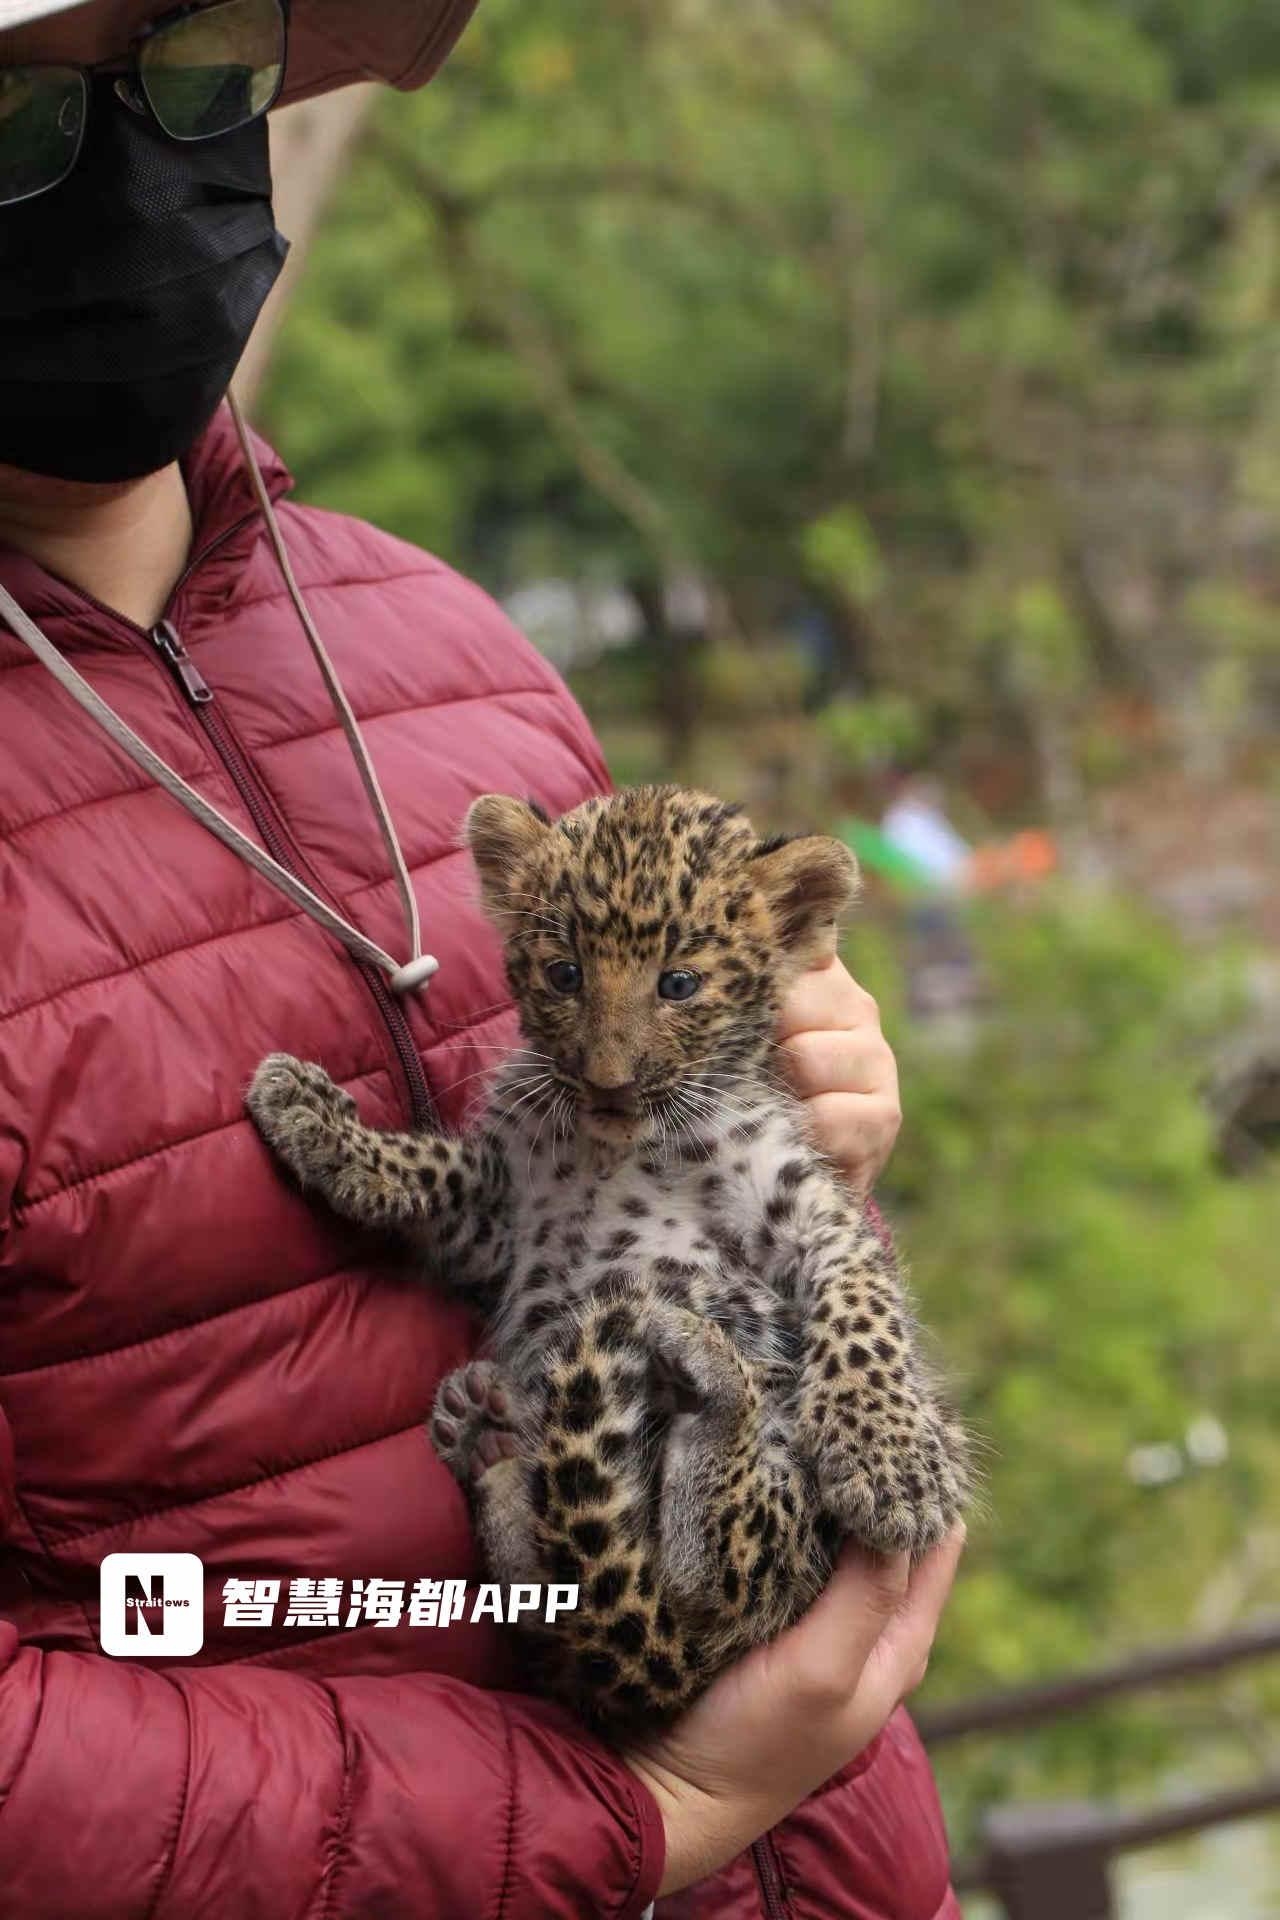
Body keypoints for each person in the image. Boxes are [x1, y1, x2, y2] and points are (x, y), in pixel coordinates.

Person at [0, 2, 964, 1914]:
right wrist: (634, 1825)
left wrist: (793, 1118)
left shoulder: (442, 633)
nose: (134, 173)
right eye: (21, 114)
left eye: (195, 71)